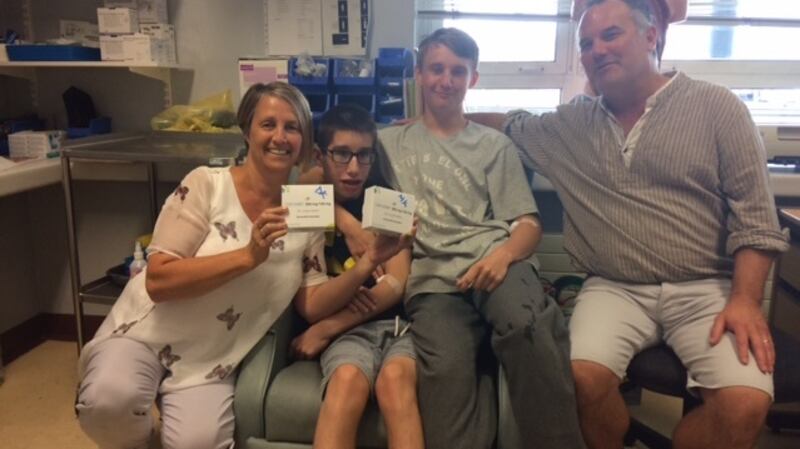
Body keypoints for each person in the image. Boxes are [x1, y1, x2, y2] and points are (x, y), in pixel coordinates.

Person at [467, 1, 789, 448]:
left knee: (745, 405)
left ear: (651, 35)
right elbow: (509, 124)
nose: (596, 50)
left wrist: (746, 299)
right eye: (586, 43)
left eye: (610, 35)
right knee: (579, 378)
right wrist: (438, 118)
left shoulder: (718, 107)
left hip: (706, 287)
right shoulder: (572, 124)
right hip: (614, 287)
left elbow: (756, 218)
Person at [75, 82, 411, 449]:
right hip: (148, 332)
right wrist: (248, 256)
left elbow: (313, 303)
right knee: (109, 401)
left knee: (199, 442)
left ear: (304, 142)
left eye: (292, 127)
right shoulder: (206, 184)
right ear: (247, 131)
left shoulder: (305, 210)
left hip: (212, 358)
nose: (280, 137)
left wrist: (367, 264)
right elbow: (158, 281)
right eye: (268, 124)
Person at [339, 28, 585, 449]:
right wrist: (344, 220)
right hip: (434, 284)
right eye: (436, 69)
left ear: (473, 78)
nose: (446, 80)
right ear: (419, 74)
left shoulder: (494, 146)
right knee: (446, 370)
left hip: (497, 266)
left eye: (457, 71)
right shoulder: (387, 143)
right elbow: (316, 179)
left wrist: (503, 256)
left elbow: (528, 224)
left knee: (527, 327)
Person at [290, 104, 423, 449]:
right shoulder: (307, 204)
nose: (353, 168)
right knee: (347, 379)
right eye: (341, 154)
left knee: (396, 381)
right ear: (320, 155)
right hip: (347, 335)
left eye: (364, 155)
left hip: (396, 325)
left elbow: (395, 283)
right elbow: (300, 183)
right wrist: (346, 222)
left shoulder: (386, 201)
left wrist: (327, 327)